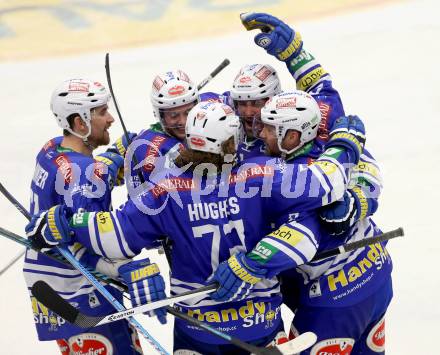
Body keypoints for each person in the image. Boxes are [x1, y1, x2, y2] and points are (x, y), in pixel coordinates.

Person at [26, 96, 366, 354]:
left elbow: (110, 234)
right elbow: (327, 181)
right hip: (260, 321)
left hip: (197, 329)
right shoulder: (261, 174)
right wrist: (345, 143)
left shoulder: (165, 190)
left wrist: (66, 222)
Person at [210, 90, 392, 354]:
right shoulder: (327, 145)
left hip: (336, 298)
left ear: (292, 136)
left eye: (271, 130)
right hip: (377, 268)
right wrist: (359, 199)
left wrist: (254, 264)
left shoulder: (295, 180)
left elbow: (302, 235)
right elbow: (367, 167)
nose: (262, 135)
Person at [24, 78, 144, 354]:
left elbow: (71, 190)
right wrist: (119, 270)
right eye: (102, 112)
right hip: (83, 292)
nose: (111, 118)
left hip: (48, 292)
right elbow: (87, 239)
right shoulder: (86, 174)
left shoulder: (51, 148)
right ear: (80, 123)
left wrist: (109, 162)